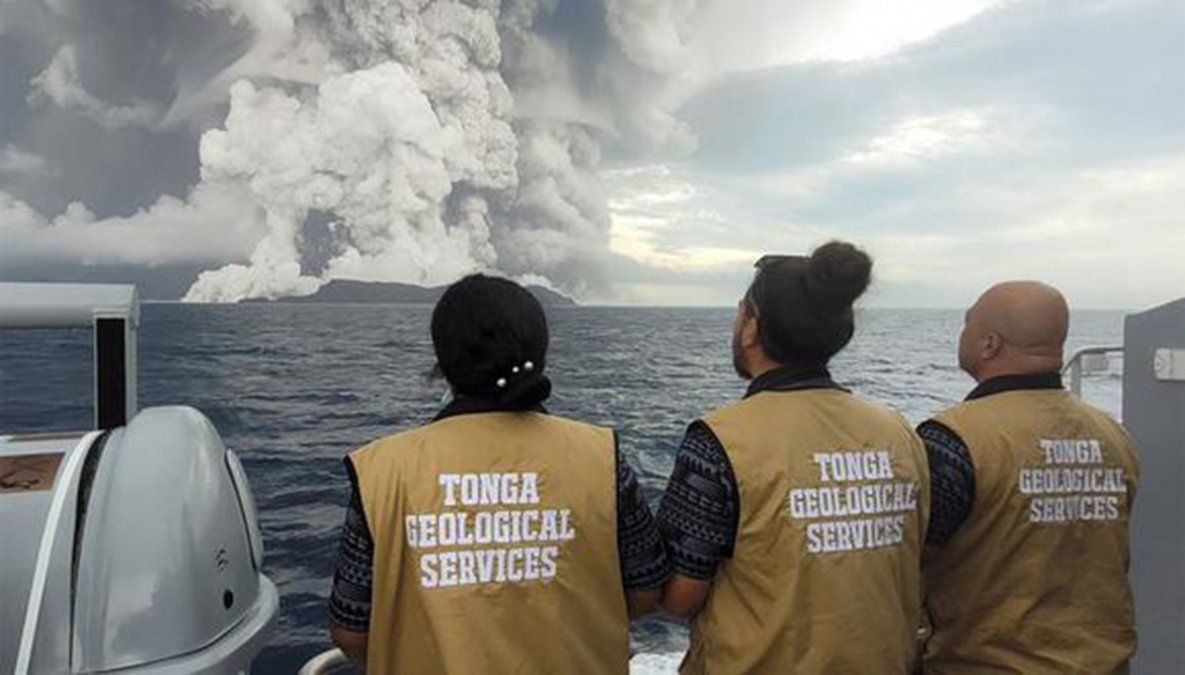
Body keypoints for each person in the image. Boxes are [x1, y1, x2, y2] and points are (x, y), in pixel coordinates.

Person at [327, 274, 670, 674]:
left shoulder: (383, 470)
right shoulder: (601, 457)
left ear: (443, 362)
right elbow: (646, 590)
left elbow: (351, 632)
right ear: (540, 352)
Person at [657, 241, 930, 673]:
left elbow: (678, 596)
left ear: (752, 327)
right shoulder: (899, 431)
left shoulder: (720, 441)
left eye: (740, 312)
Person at [919, 281, 1139, 673]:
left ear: (989, 344)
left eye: (967, 323)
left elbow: (913, 556)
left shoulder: (952, 440)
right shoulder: (1113, 435)